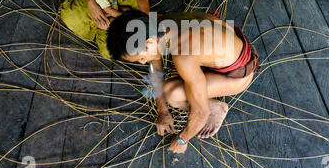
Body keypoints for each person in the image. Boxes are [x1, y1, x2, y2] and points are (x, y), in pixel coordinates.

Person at [106, 10, 260, 154]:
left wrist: (182, 139)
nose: (142, 63)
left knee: (173, 94)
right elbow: (155, 64)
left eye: (140, 58)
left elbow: (201, 112)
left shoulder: (183, 53)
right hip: (225, 50)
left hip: (238, 76)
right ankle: (200, 83)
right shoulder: (159, 23)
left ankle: (217, 107)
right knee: (174, 82)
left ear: (149, 43)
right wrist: (162, 110)